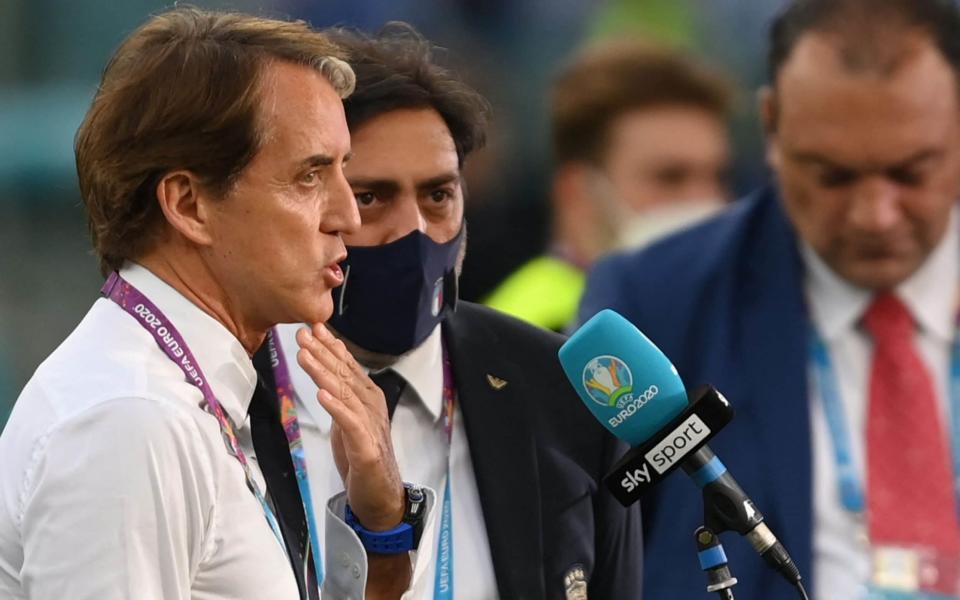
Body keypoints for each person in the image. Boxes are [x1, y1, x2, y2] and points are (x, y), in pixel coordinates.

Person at [0, 8, 425, 600]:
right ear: (189, 204)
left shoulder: (186, 393)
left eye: (342, 171)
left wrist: (381, 531)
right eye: (309, 176)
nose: (348, 216)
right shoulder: (131, 420)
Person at [579, 0, 960, 597]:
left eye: (911, 172)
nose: (875, 216)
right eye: (831, 176)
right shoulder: (656, 304)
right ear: (772, 127)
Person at [255, 23, 644, 600]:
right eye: (371, 197)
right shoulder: (223, 392)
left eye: (438, 195)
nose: (413, 231)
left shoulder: (564, 395)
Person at [485, 39, 733, 332]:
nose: (705, 201)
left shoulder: (719, 315)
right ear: (578, 196)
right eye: (669, 177)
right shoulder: (527, 334)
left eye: (718, 176)